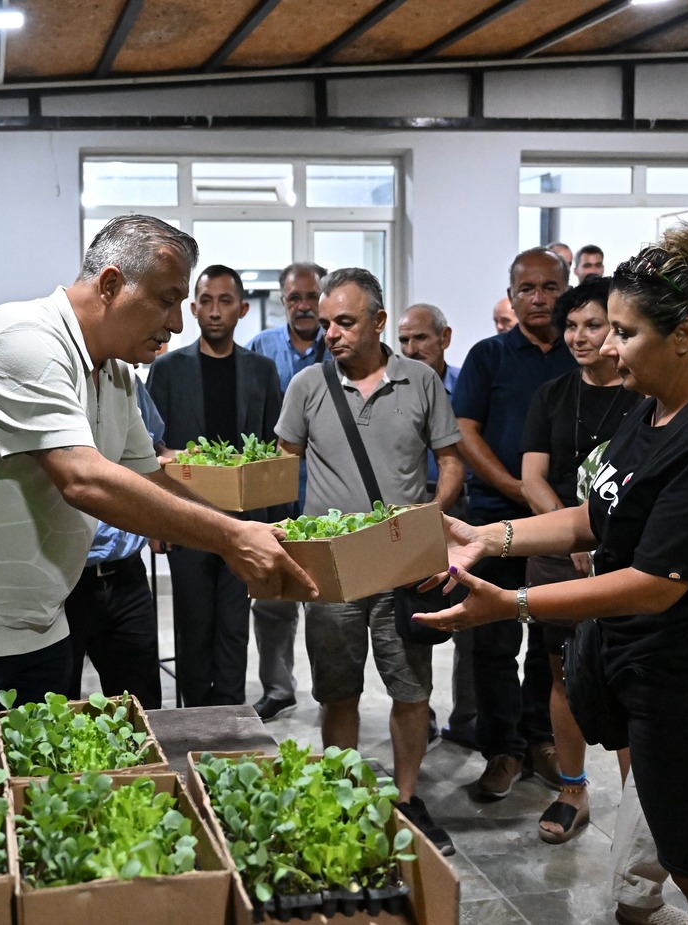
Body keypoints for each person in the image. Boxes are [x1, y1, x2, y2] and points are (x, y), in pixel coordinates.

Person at [416, 224, 688, 925]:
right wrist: (488, 534)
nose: (607, 346)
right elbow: (594, 516)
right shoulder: (653, 412)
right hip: (664, 682)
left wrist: (512, 602)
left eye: (623, 331)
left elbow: (656, 581)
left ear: (683, 333)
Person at [0, 215, 315, 723]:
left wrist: (240, 528)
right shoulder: (21, 341)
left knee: (40, 788)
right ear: (110, 284)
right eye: (168, 300)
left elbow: (150, 477)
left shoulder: (117, 374)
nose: (177, 323)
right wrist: (230, 538)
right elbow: (82, 479)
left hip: (39, 618)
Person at [276, 267, 463, 856]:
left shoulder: (422, 382)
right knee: (338, 691)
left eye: (345, 322)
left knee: (411, 692)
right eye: (325, 323)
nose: (329, 332)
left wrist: (428, 519)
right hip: (331, 571)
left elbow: (451, 461)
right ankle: (342, 794)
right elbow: (283, 466)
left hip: (402, 565)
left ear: (380, 322)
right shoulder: (307, 384)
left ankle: (407, 800)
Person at [519, 276, 643, 844]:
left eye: (594, 324)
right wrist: (569, 537)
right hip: (557, 551)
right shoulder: (551, 395)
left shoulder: (646, 395)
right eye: (571, 325)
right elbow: (532, 478)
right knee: (563, 672)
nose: (579, 336)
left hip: (627, 554)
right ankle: (572, 789)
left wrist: (598, 539)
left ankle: (638, 806)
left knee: (627, 676)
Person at [452, 247, 577, 801]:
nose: (539, 298)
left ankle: (541, 739)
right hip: (493, 514)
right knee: (494, 638)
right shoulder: (489, 356)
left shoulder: (584, 355)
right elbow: (465, 431)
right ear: (511, 294)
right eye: (527, 289)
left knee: (551, 637)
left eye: (550, 287)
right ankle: (501, 748)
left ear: (567, 288)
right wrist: (512, 486)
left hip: (565, 522)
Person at [147, 265, 284, 707]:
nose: (215, 311)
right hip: (188, 520)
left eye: (225, 301)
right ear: (192, 308)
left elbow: (272, 454)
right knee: (192, 626)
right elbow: (153, 448)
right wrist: (156, 519)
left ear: (242, 309)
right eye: (206, 301)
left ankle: (229, 718)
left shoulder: (262, 372)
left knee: (233, 627)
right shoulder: (167, 370)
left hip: (246, 524)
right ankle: (193, 723)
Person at [245, 261, 327, 721]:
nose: (302, 306)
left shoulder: (339, 349)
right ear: (283, 300)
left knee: (329, 598)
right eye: (294, 297)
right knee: (272, 595)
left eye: (311, 296)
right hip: (274, 494)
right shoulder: (261, 348)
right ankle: (278, 687)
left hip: (327, 492)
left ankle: (332, 690)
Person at [397, 303, 476, 748]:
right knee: (418, 617)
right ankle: (420, 712)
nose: (412, 348)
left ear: (444, 338)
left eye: (420, 338)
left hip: (459, 507)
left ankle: (466, 718)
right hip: (410, 512)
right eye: (404, 340)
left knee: (466, 614)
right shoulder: (398, 388)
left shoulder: (466, 386)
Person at [64, 379, 167, 710]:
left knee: (141, 706)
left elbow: (153, 454)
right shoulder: (60, 377)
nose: (173, 327)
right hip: (64, 579)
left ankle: (147, 766)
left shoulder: (127, 381)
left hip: (126, 577)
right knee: (56, 708)